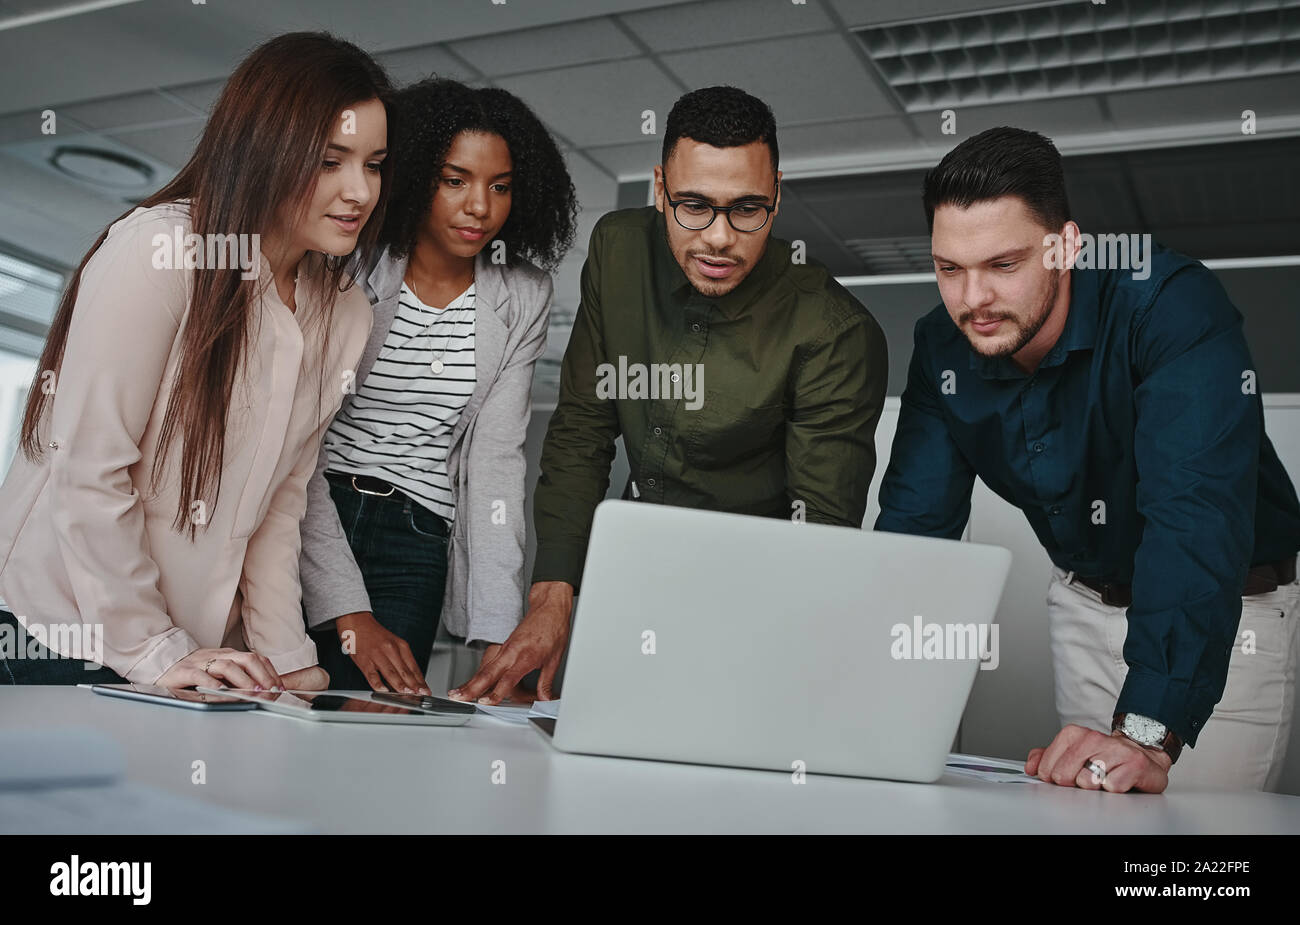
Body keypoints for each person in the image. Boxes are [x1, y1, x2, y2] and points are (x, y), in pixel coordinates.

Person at [875, 126, 1300, 792]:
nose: (973, 298)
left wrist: (1149, 730)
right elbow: (914, 527)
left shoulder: (1169, 305)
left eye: (1002, 265)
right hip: (1080, 606)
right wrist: (864, 685)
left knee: (1196, 865)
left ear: (1065, 245)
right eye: (949, 269)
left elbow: (1193, 518)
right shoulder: (942, 345)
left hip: (1226, 619)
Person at [449, 85, 889, 706]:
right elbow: (582, 427)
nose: (719, 238)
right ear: (659, 188)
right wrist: (553, 595)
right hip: (629, 573)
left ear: (778, 196)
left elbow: (820, 533)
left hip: (761, 596)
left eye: (747, 209)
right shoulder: (618, 250)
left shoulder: (834, 332)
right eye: (693, 205)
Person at [0, 32, 391, 690]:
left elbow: (279, 505)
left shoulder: (345, 311)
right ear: (267, 147)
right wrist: (153, 648)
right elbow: (89, 471)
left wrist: (289, 661)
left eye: (374, 164)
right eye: (330, 161)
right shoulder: (161, 251)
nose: (359, 191)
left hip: (187, 651)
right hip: (52, 629)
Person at [300, 78, 574, 694]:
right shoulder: (349, 260)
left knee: (377, 728)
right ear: (417, 175)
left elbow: (497, 460)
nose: (480, 206)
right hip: (314, 512)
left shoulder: (522, 294)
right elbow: (296, 441)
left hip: (418, 536)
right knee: (282, 699)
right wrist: (347, 608)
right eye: (455, 180)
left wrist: (499, 635)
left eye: (499, 187)